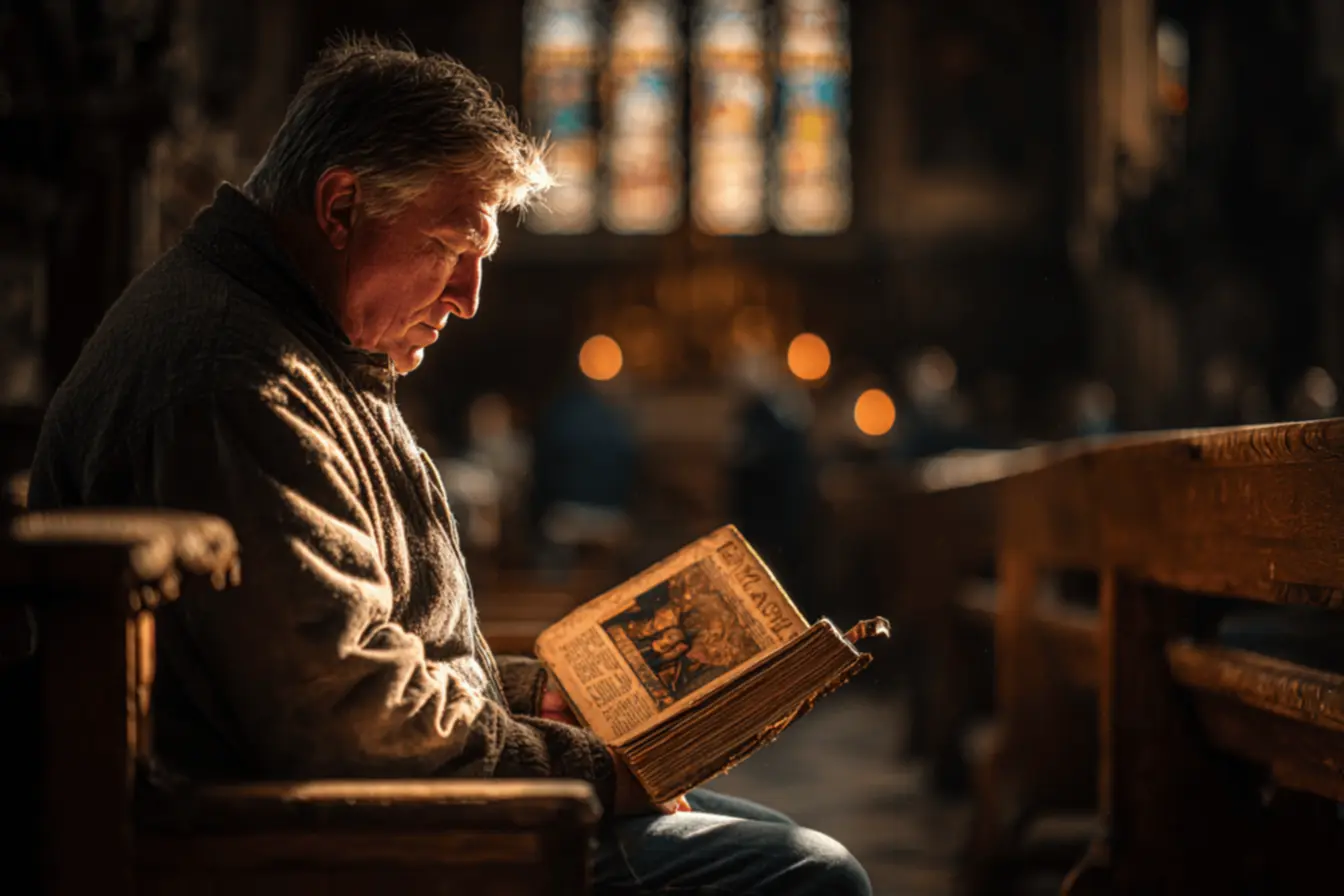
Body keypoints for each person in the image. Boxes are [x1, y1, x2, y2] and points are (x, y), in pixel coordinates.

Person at [26, 37, 869, 896]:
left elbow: (356, 648)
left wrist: (529, 696)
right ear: (341, 207)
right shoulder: (238, 381)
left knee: (775, 836)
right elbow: (344, 712)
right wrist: (584, 766)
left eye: (481, 261)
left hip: (372, 798)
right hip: (314, 843)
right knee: (812, 875)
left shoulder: (298, 341)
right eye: (449, 247)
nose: (468, 298)